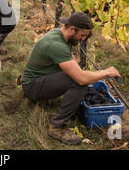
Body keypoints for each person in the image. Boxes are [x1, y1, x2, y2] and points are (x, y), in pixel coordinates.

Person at [20, 12, 121, 145]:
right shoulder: (56, 44)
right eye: (82, 35)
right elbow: (81, 79)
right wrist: (105, 73)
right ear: (72, 29)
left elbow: (74, 66)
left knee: (78, 78)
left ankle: (52, 100)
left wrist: (87, 75)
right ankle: (57, 127)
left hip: (39, 79)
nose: (84, 39)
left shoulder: (62, 35)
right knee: (78, 83)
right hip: (31, 86)